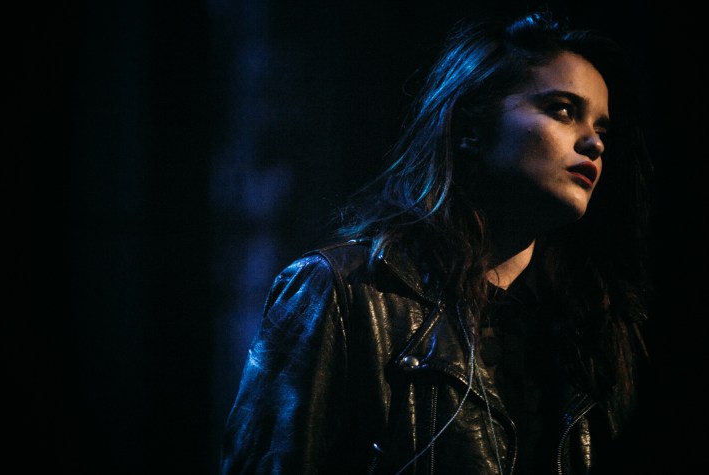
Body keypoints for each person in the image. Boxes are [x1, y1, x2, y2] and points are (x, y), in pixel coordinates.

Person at [220, 9, 654, 474]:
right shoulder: (343, 294)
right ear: (471, 125)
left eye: (601, 128)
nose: (594, 143)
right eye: (563, 110)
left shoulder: (598, 329)